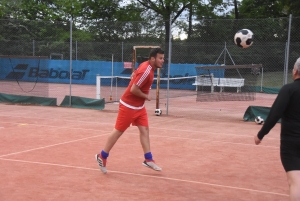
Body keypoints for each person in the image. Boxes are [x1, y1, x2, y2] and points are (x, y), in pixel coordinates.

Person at [95, 48, 165, 174]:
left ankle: (148, 159)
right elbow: (133, 89)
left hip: (139, 107)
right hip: (128, 106)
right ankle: (102, 156)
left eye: (163, 58)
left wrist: (134, 75)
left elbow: (136, 74)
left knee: (145, 130)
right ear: (153, 59)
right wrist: (146, 96)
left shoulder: (147, 67)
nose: (163, 61)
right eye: (160, 58)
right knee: (118, 132)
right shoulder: (146, 70)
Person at [254, 57, 300, 201]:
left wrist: (261, 134)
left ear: (296, 71)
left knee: (296, 183)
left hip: (291, 142)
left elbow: (275, 114)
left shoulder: (289, 89)